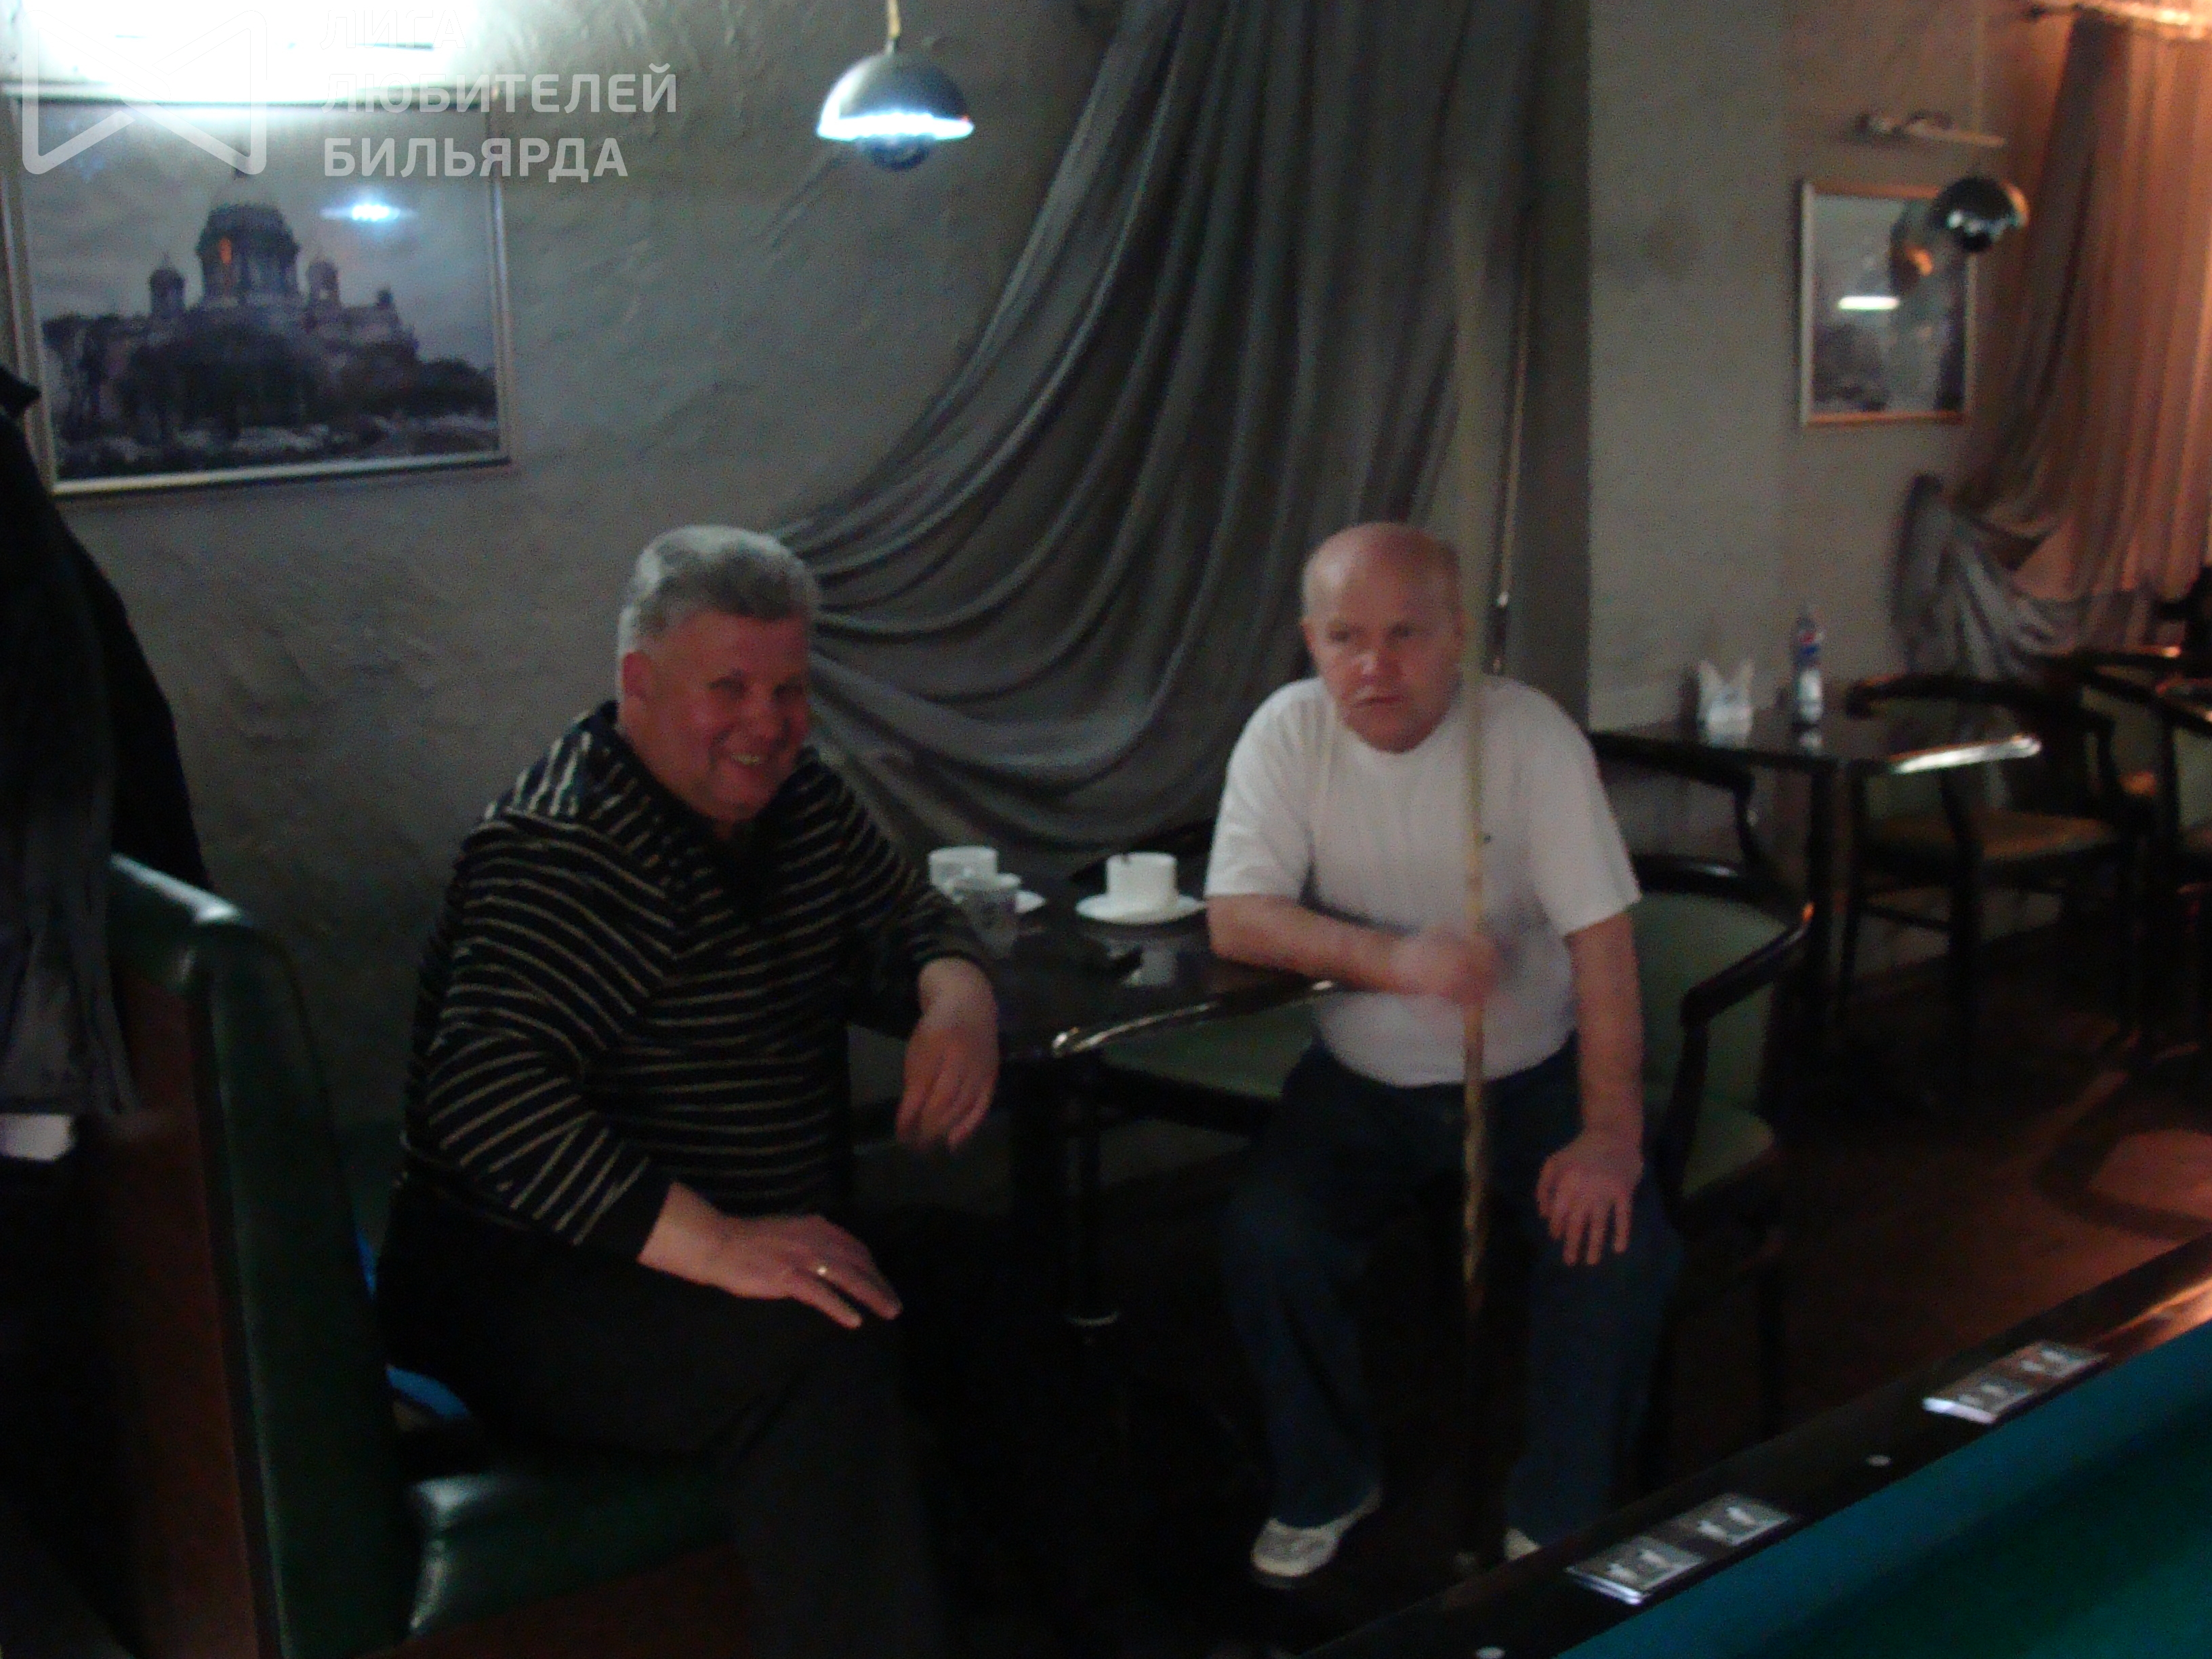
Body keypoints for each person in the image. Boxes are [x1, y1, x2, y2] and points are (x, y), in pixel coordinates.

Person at [377, 526, 1000, 1659]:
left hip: (748, 1234)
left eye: (789, 689)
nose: (767, 722)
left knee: (982, 1280)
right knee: (819, 1351)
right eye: (729, 688)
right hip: (525, 1278)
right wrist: (716, 1245)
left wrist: (957, 994)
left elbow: (906, 915)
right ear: (639, 683)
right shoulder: (566, 845)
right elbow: (484, 1095)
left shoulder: (800, 803)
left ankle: (1110, 1624)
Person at [1206, 522, 1679, 1584]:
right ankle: (1328, 1480)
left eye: (1406, 634)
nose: (1374, 665)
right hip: (1359, 1081)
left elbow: (1603, 946)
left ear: (1459, 635)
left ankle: (1560, 1514)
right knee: (1270, 1238)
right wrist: (1398, 960)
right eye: (1346, 638)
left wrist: (1611, 1132)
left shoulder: (1530, 737)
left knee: (1614, 1248)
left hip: (1534, 1070)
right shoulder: (1287, 734)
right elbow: (1237, 915)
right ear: (1312, 642)